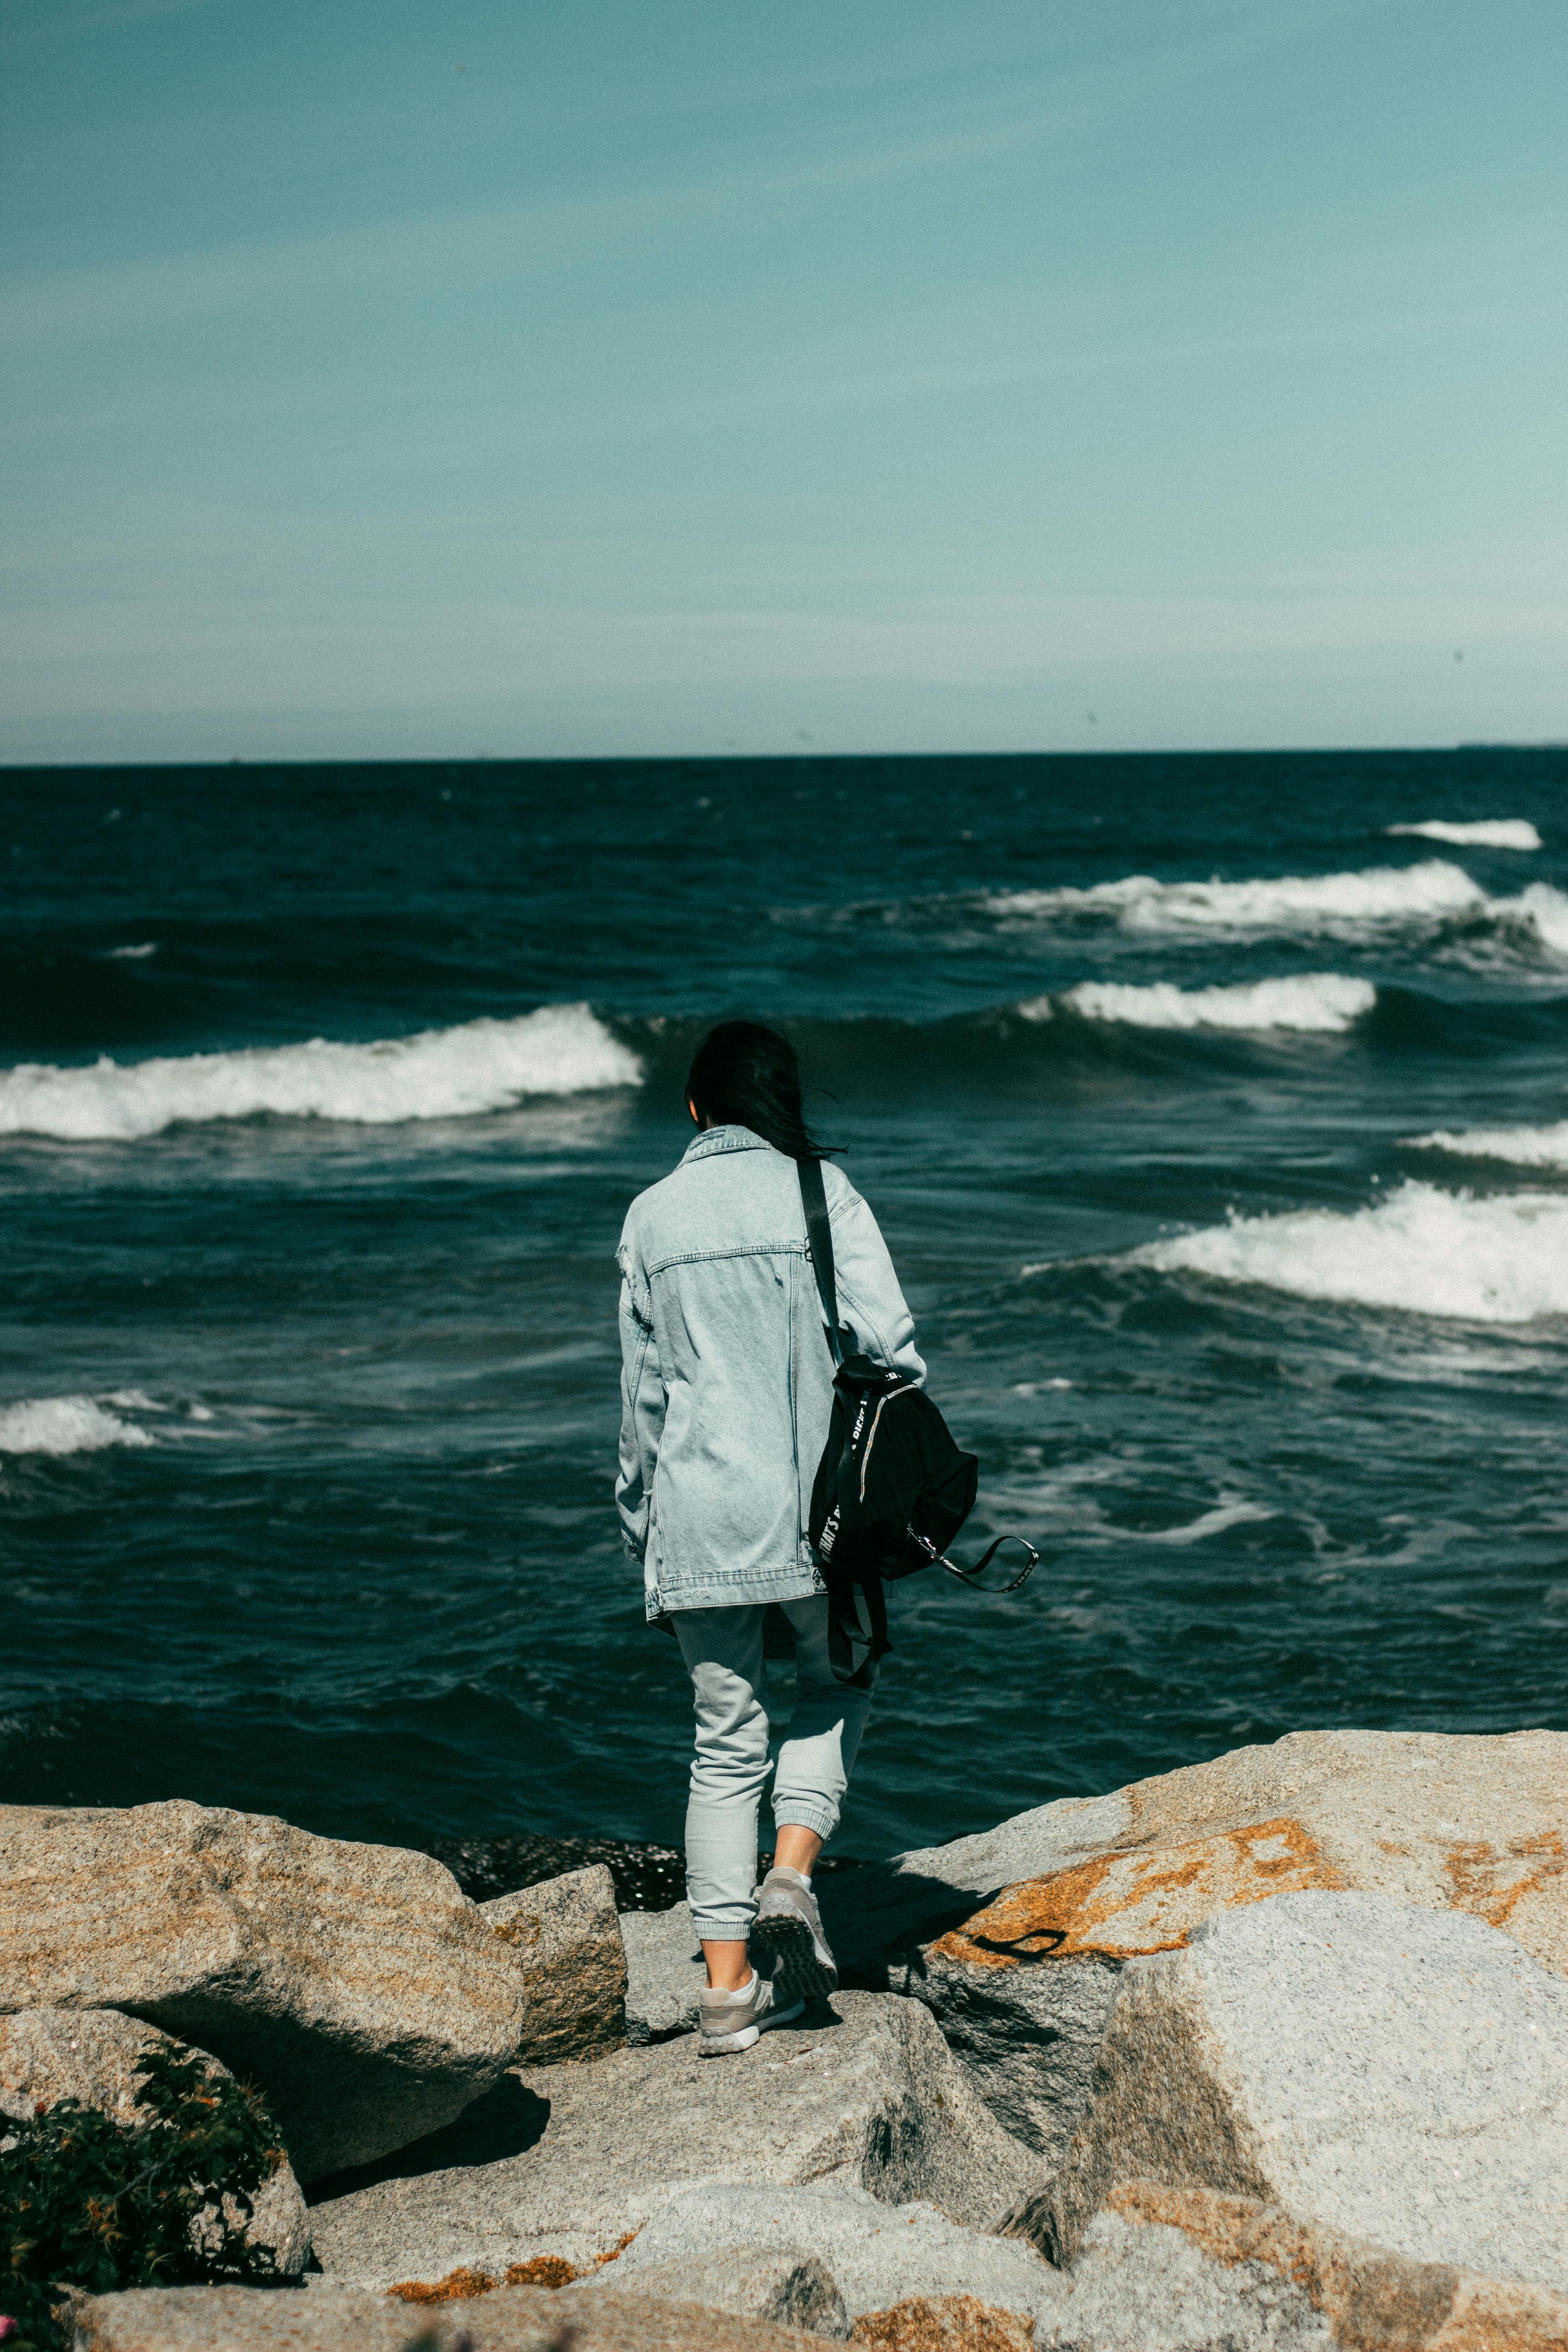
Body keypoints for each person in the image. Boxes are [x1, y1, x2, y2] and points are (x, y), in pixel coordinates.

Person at [615, 1020, 924, 2055]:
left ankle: (725, 1994)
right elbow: (893, 1352)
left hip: (697, 1516)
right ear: (781, 1101)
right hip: (813, 1518)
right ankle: (791, 1875)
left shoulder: (651, 1216)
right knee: (837, 1686)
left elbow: (643, 1406)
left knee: (721, 1746)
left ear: (698, 1106)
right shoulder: (819, 1193)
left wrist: (639, 1533)